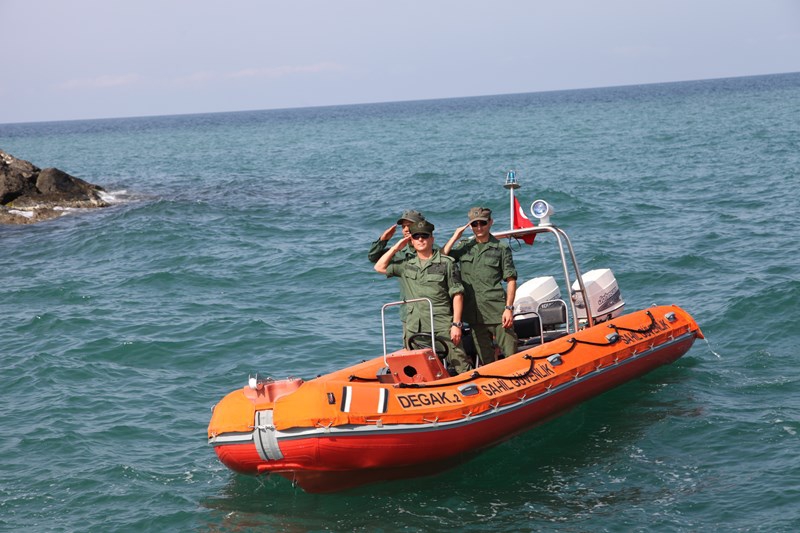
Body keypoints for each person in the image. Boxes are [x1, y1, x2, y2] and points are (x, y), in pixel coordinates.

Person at [374, 219, 471, 374]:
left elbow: (457, 294)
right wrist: (396, 247)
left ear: (431, 239)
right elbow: (379, 267)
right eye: (416, 236)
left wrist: (456, 324)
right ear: (411, 241)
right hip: (415, 326)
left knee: (460, 363)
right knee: (419, 370)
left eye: (424, 236)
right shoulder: (406, 264)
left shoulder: (446, 263)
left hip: (441, 324)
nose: (420, 239)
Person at [444, 207, 518, 364]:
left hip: (497, 311)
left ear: (490, 222)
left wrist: (509, 308)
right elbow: (442, 258)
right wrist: (455, 237)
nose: (479, 228)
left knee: (511, 356)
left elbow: (511, 279)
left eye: (482, 223)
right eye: (474, 224)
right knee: (486, 360)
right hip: (474, 314)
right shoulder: (465, 247)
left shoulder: (501, 248)